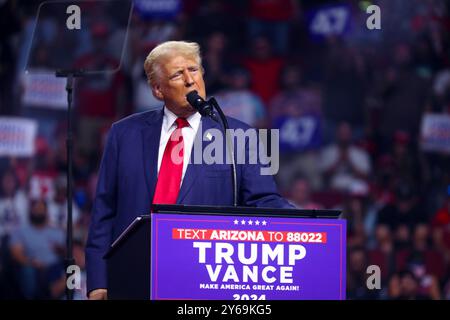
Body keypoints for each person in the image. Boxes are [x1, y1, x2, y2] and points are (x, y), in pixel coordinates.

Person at [86, 41, 293, 300]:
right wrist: (98, 282)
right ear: (157, 90)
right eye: (177, 74)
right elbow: (104, 212)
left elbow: (264, 200)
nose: (189, 80)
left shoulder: (239, 135)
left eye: (194, 70)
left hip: (202, 279)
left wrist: (310, 224)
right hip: (134, 273)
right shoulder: (124, 134)